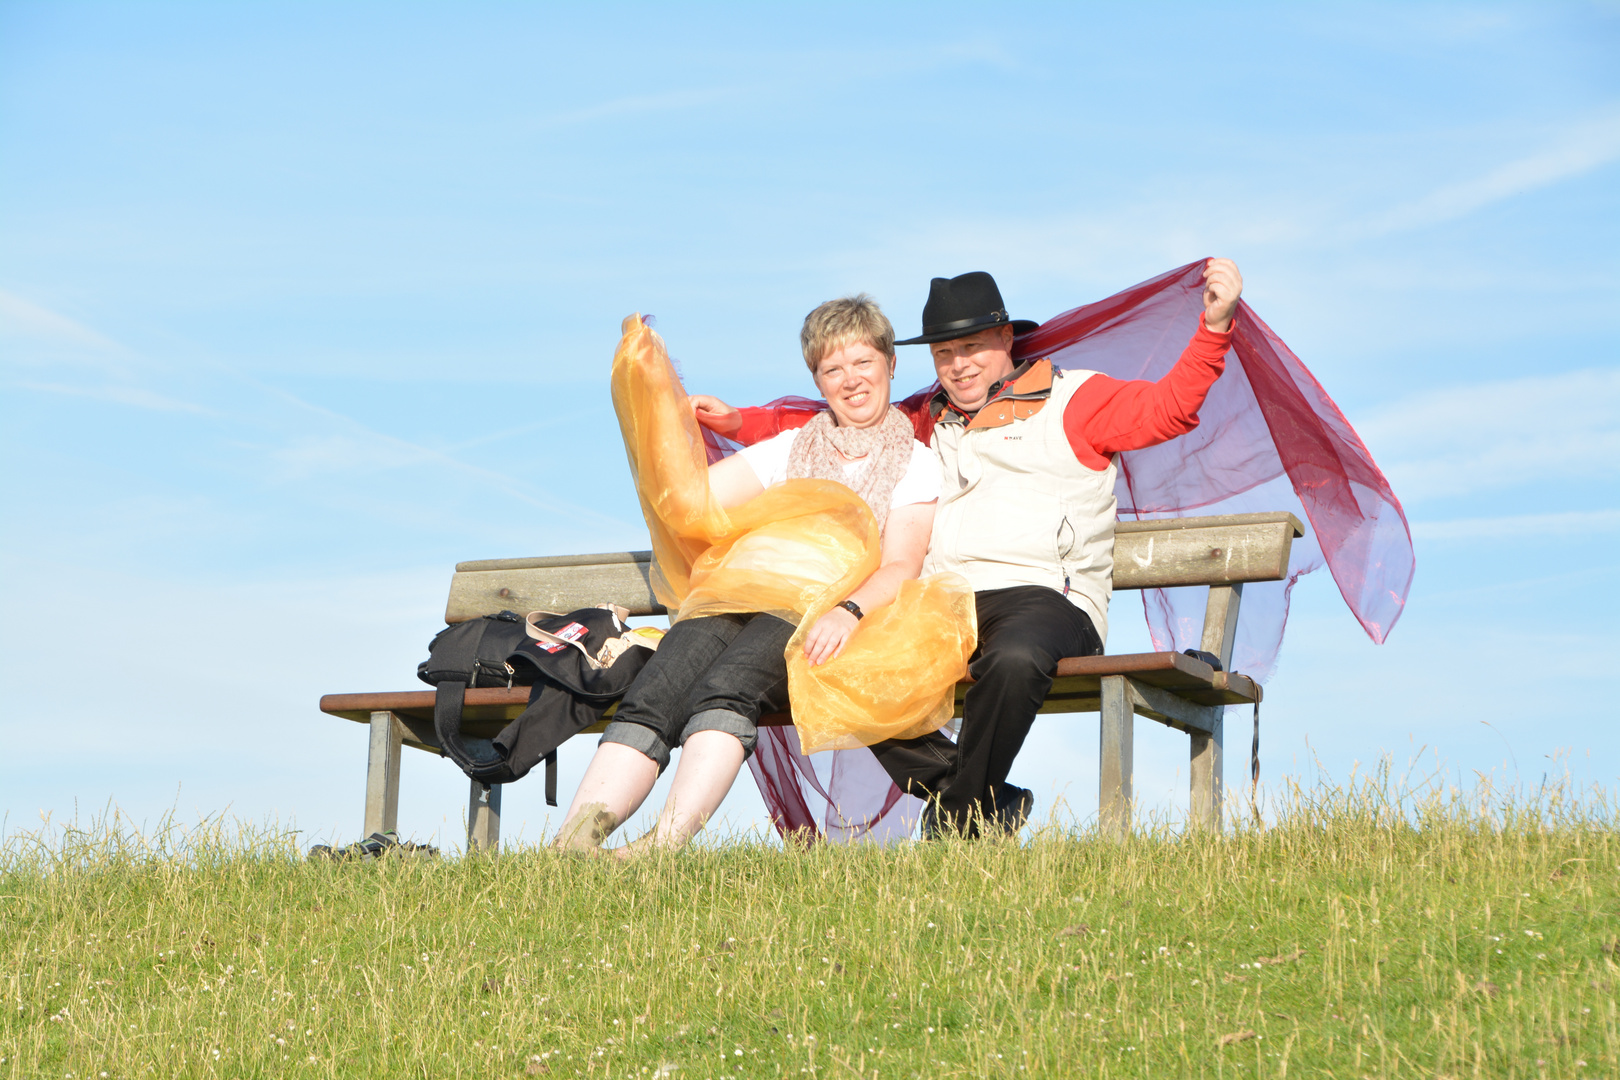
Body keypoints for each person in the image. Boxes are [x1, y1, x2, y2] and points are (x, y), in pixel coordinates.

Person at [691, 259, 1245, 835]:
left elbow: (1170, 408)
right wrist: (740, 421)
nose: (958, 367)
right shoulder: (929, 421)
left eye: (973, 348)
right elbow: (835, 416)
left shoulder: (1074, 399)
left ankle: (956, 821)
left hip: (1048, 599)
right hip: (943, 605)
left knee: (1012, 658)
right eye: (944, 355)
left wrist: (1214, 328)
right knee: (839, 660)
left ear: (1007, 339)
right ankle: (982, 800)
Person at [553, 294, 942, 855]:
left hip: (815, 608)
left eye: (863, 363)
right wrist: (657, 399)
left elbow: (902, 564)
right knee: (654, 692)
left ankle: (659, 850)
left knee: (726, 689)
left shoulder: (916, 463)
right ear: (817, 378)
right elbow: (692, 503)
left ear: (889, 364)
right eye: (833, 369)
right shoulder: (790, 448)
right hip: (734, 593)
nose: (851, 380)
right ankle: (574, 843)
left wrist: (848, 611)